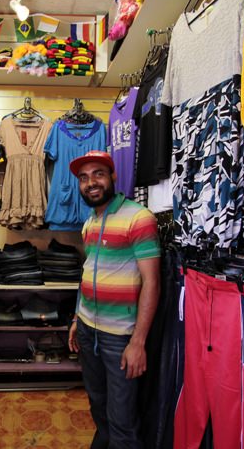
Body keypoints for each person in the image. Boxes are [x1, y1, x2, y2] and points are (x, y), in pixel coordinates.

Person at [67, 150, 161, 449]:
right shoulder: (90, 223)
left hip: (119, 336)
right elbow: (89, 271)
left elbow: (152, 282)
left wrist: (138, 342)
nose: (91, 183)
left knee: (122, 418)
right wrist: (77, 318)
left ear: (113, 176)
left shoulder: (139, 218)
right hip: (87, 329)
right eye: (84, 178)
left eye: (98, 174)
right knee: (98, 404)